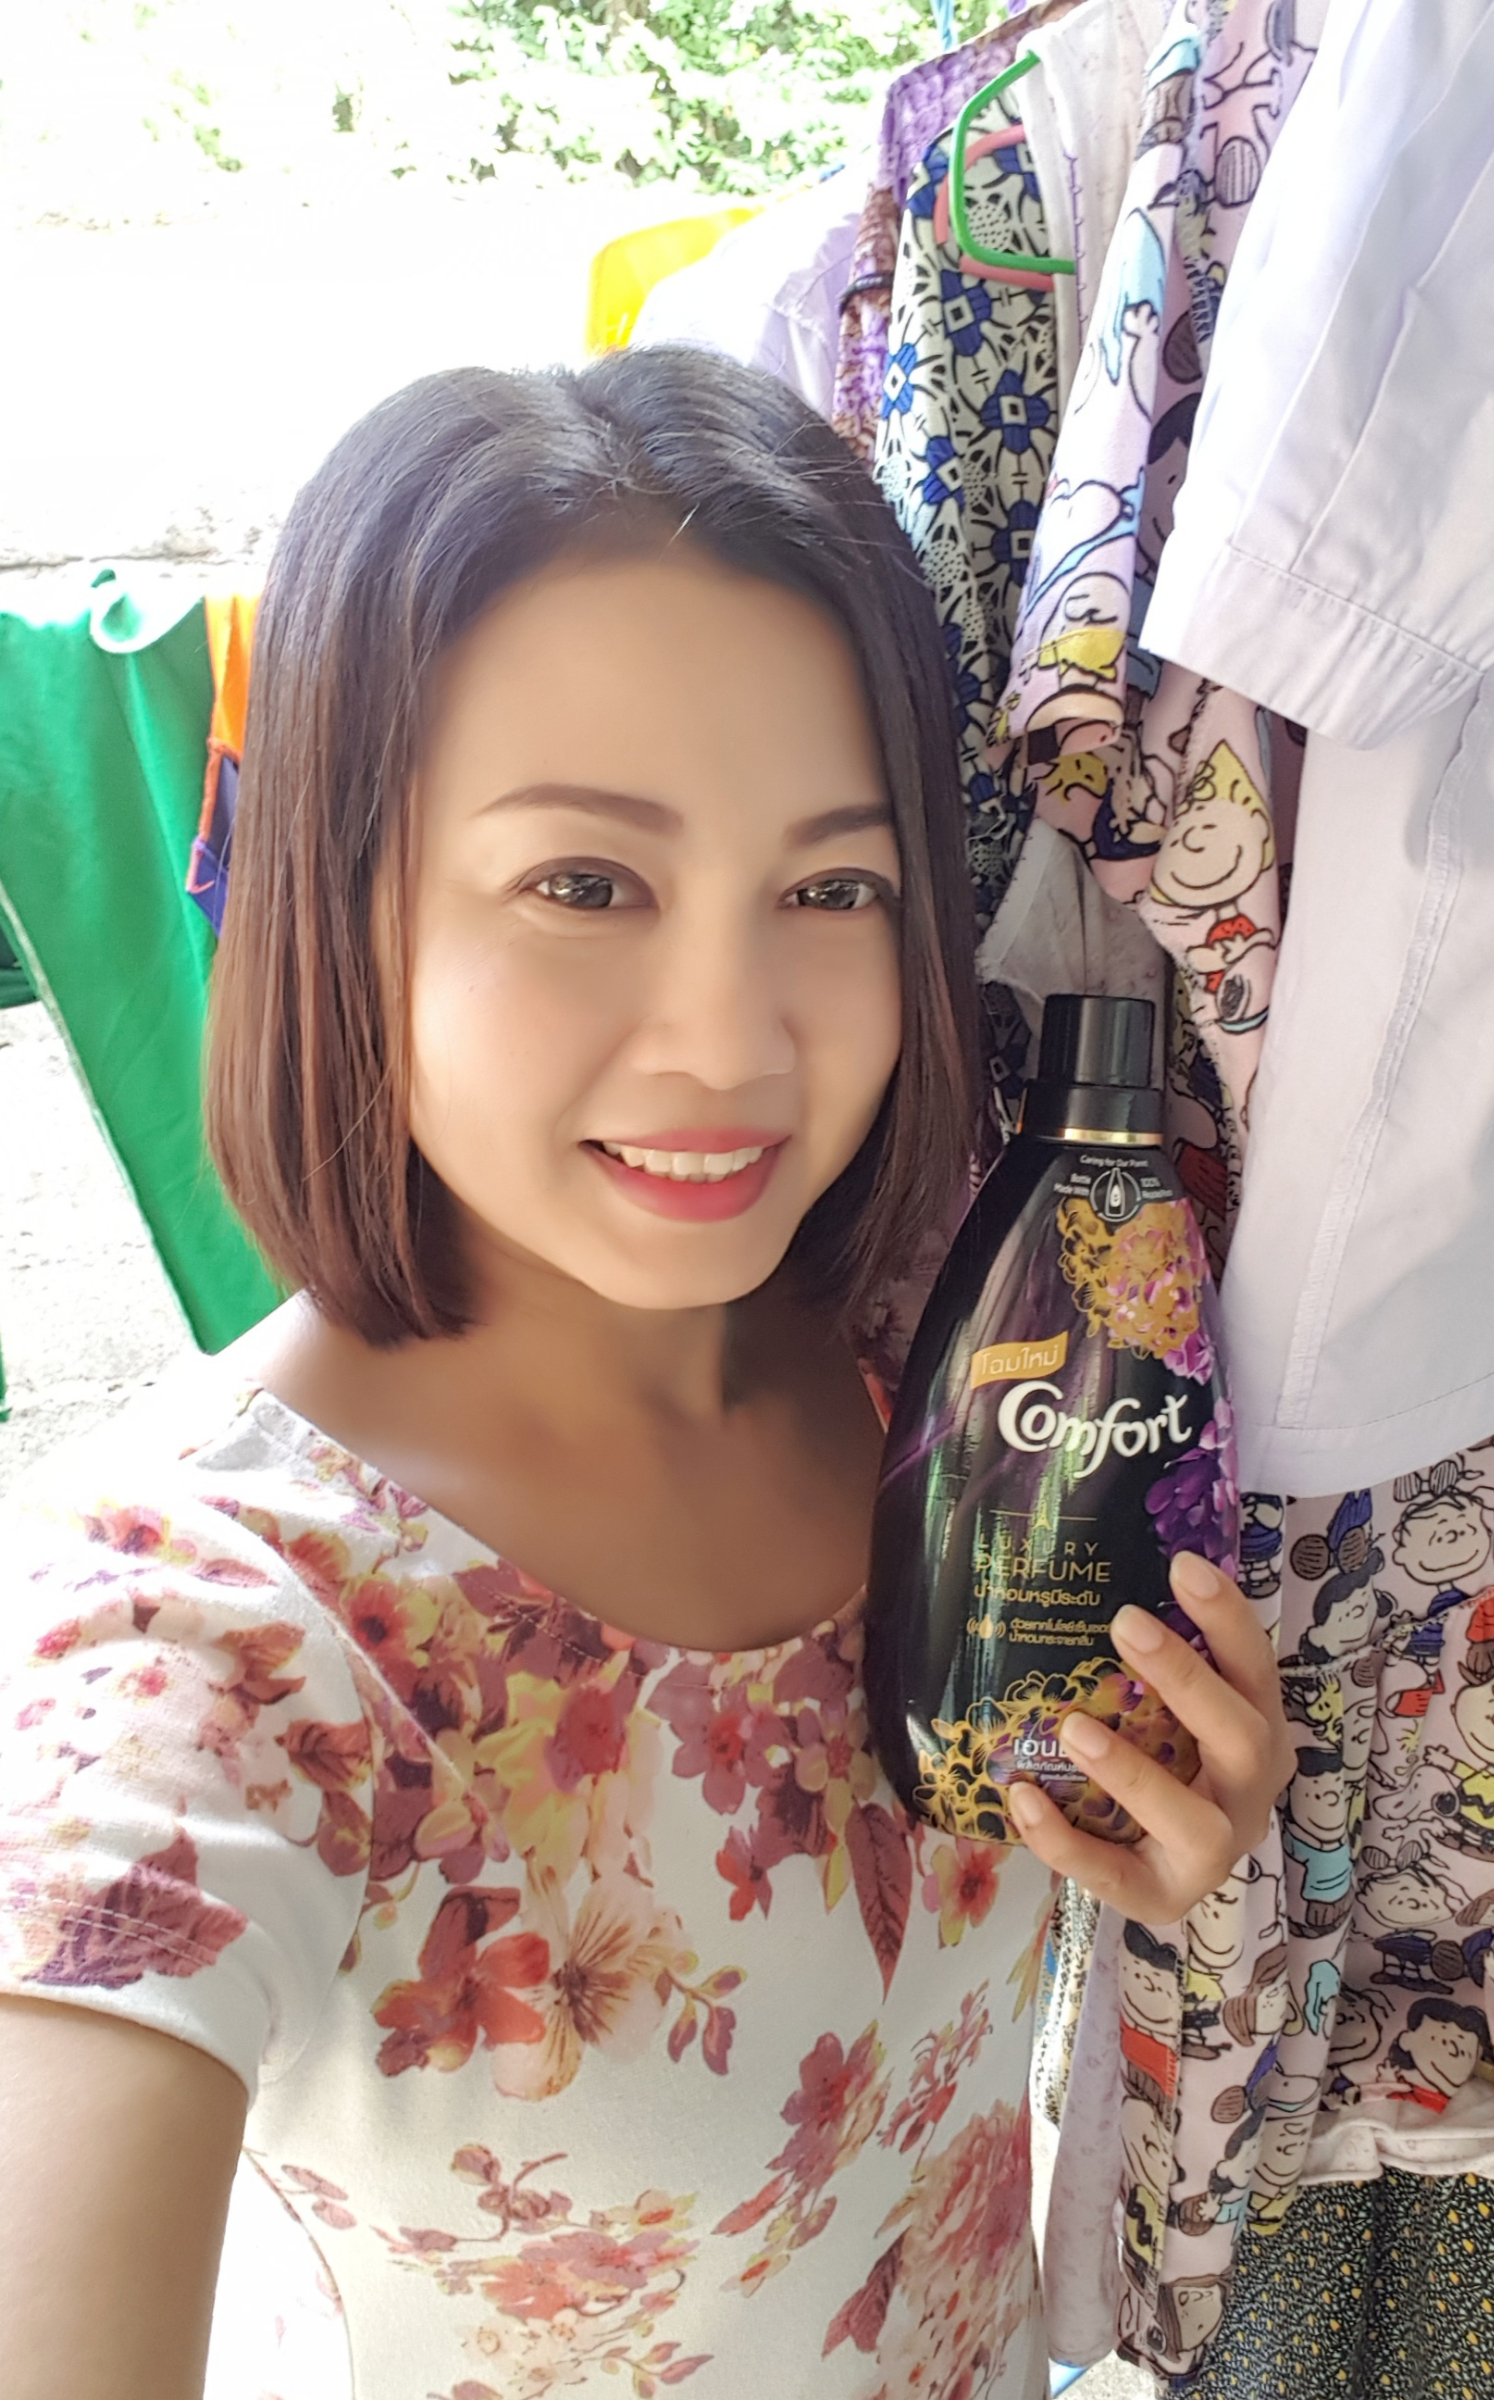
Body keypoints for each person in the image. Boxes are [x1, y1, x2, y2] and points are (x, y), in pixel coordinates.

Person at [0, 352, 1293, 2400]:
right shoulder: (194, 1636)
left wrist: (1171, 1849)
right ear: (344, 898)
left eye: (829, 889)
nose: (731, 1040)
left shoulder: (936, 1387)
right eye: (584, 884)